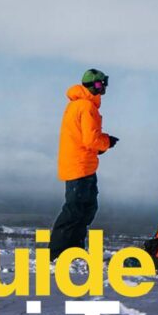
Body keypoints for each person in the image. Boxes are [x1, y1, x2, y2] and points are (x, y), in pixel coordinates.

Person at [49, 69, 118, 260]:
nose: (103, 87)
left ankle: (73, 250)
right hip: (80, 166)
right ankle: (57, 252)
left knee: (85, 209)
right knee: (75, 210)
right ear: (92, 85)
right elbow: (91, 139)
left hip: (82, 164)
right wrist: (107, 142)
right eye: (100, 84)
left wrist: (101, 145)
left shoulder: (78, 105)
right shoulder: (86, 107)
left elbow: (83, 138)